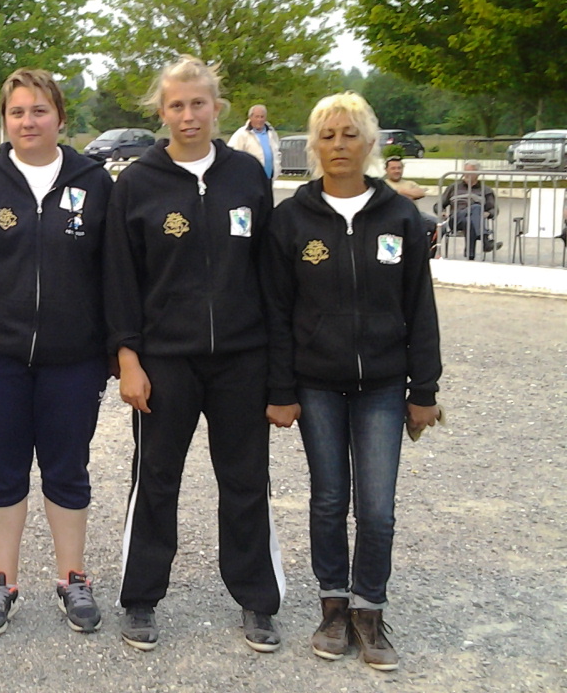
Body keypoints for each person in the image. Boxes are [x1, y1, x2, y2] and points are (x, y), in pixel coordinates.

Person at [103, 55, 283, 654]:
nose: (188, 115)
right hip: (165, 362)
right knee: (155, 478)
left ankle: (258, 599)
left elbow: (271, 279)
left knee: (244, 480)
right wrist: (128, 359)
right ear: (162, 111)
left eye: (198, 104)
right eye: (176, 105)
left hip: (241, 360)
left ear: (217, 108)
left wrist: (277, 372)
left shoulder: (247, 177)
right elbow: (121, 281)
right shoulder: (136, 184)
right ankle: (141, 598)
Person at [263, 92, 441, 672]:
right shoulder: (290, 219)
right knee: (329, 499)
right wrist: (281, 388)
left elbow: (421, 305)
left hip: (384, 386)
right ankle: (333, 606)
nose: (338, 145)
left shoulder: (401, 218)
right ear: (313, 145)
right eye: (328, 135)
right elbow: (277, 311)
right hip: (315, 385)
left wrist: (425, 390)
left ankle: (370, 609)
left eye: (349, 134)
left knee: (378, 507)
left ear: (371, 143)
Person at [0, 68, 114, 637]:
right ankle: (0, 580)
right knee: (3, 468)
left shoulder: (96, 181)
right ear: (4, 120)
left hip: (74, 358)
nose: (28, 121)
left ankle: (73, 577)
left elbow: (116, 275)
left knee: (68, 468)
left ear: (61, 117)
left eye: (39, 110)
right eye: (17, 112)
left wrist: (116, 350)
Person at [438, 162, 499, 259]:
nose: (466, 175)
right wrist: (442, 211)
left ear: (478, 173)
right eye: (464, 172)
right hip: (456, 219)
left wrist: (488, 214)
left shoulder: (486, 190)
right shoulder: (454, 188)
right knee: (476, 207)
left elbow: (494, 209)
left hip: (473, 221)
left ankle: (470, 256)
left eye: (470, 172)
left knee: (470, 221)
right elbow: (439, 204)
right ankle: (485, 241)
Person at [384, 156, 439, 253]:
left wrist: (398, 191)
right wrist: (408, 194)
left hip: (413, 214)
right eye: (393, 168)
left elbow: (420, 194)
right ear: (386, 170)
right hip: (390, 215)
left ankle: (429, 252)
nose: (397, 171)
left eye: (399, 168)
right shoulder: (383, 184)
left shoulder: (410, 183)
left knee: (438, 223)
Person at [227, 103, 282, 180]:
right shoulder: (242, 134)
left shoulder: (271, 133)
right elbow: (232, 155)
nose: (259, 120)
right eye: (257, 117)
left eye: (262, 117)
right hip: (249, 179)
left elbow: (277, 152)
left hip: (269, 178)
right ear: (250, 117)